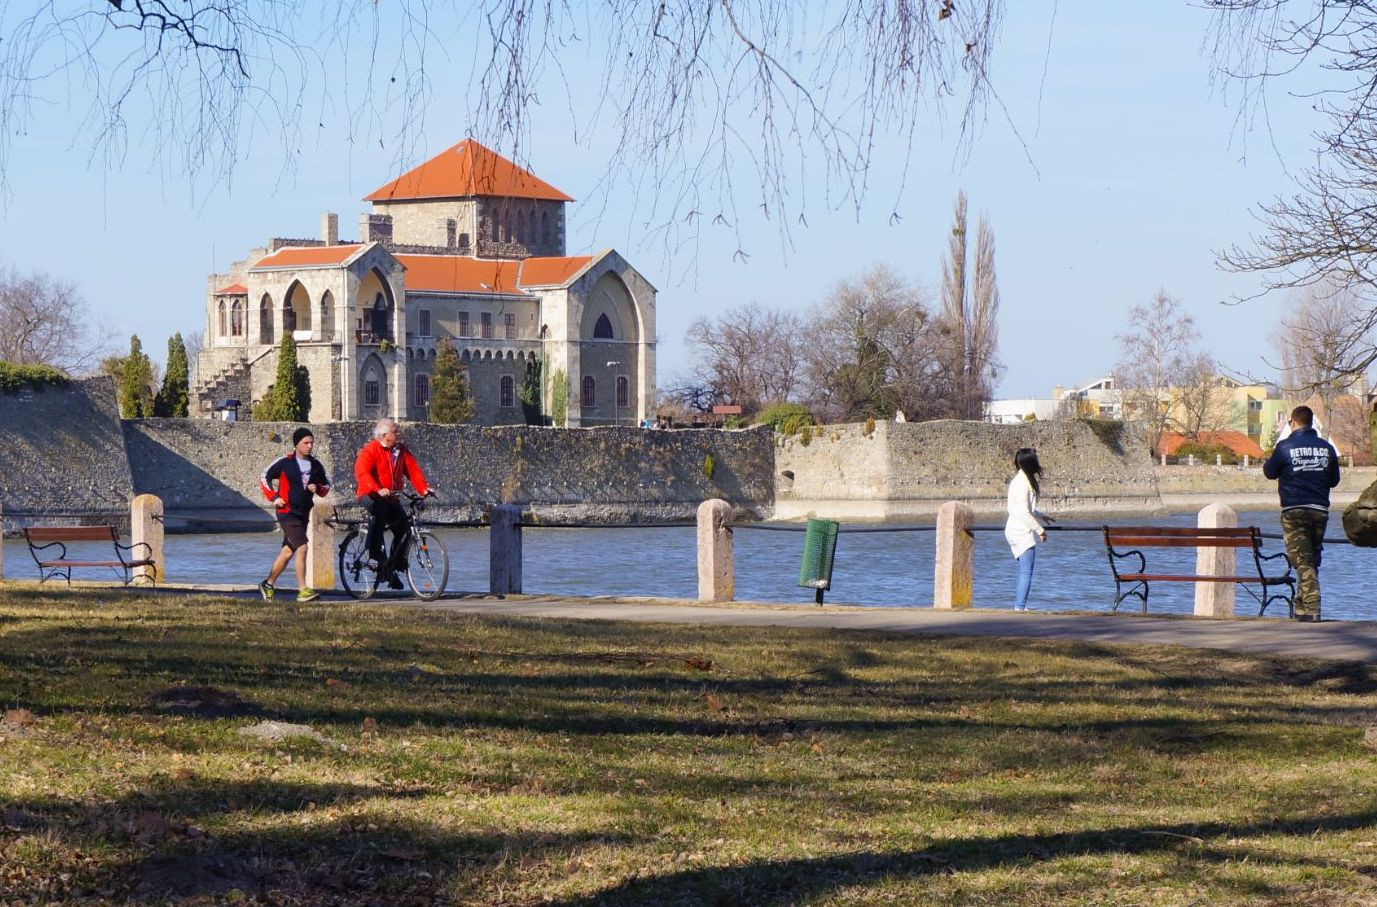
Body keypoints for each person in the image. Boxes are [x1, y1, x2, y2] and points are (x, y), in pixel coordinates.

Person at [1264, 405, 1341, 621]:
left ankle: (1313, 608)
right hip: (1319, 510)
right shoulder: (1327, 448)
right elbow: (1334, 480)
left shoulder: (1284, 447)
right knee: (1310, 559)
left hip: (1294, 510)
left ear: (1294, 422)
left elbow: (1270, 472)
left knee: (1302, 561)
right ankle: (1301, 610)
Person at [354, 417, 432, 589]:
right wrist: (376, 489)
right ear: (383, 436)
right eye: (394, 432)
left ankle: (391, 567)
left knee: (404, 528)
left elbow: (413, 471)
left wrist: (424, 489)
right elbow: (362, 472)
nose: (398, 434)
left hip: (391, 497)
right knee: (379, 510)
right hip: (369, 494)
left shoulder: (401, 450)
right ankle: (375, 551)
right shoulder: (371, 450)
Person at [258, 426, 331, 602]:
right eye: (306, 443)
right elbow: (264, 477)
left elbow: (327, 486)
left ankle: (267, 584)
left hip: (303, 513)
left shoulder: (316, 465)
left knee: (287, 553)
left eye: (312, 443)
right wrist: (274, 497)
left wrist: (318, 488)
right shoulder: (285, 462)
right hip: (287, 512)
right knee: (303, 547)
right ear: (296, 444)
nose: (310, 446)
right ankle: (303, 590)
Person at [1004, 447, 1054, 612]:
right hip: (1020, 531)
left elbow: (1028, 509)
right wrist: (1040, 530)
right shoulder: (1021, 483)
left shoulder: (1023, 479)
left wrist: (1042, 516)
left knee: (1024, 571)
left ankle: (1020, 605)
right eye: (1035, 461)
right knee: (1026, 571)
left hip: (1016, 528)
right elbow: (1023, 512)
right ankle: (1020, 607)